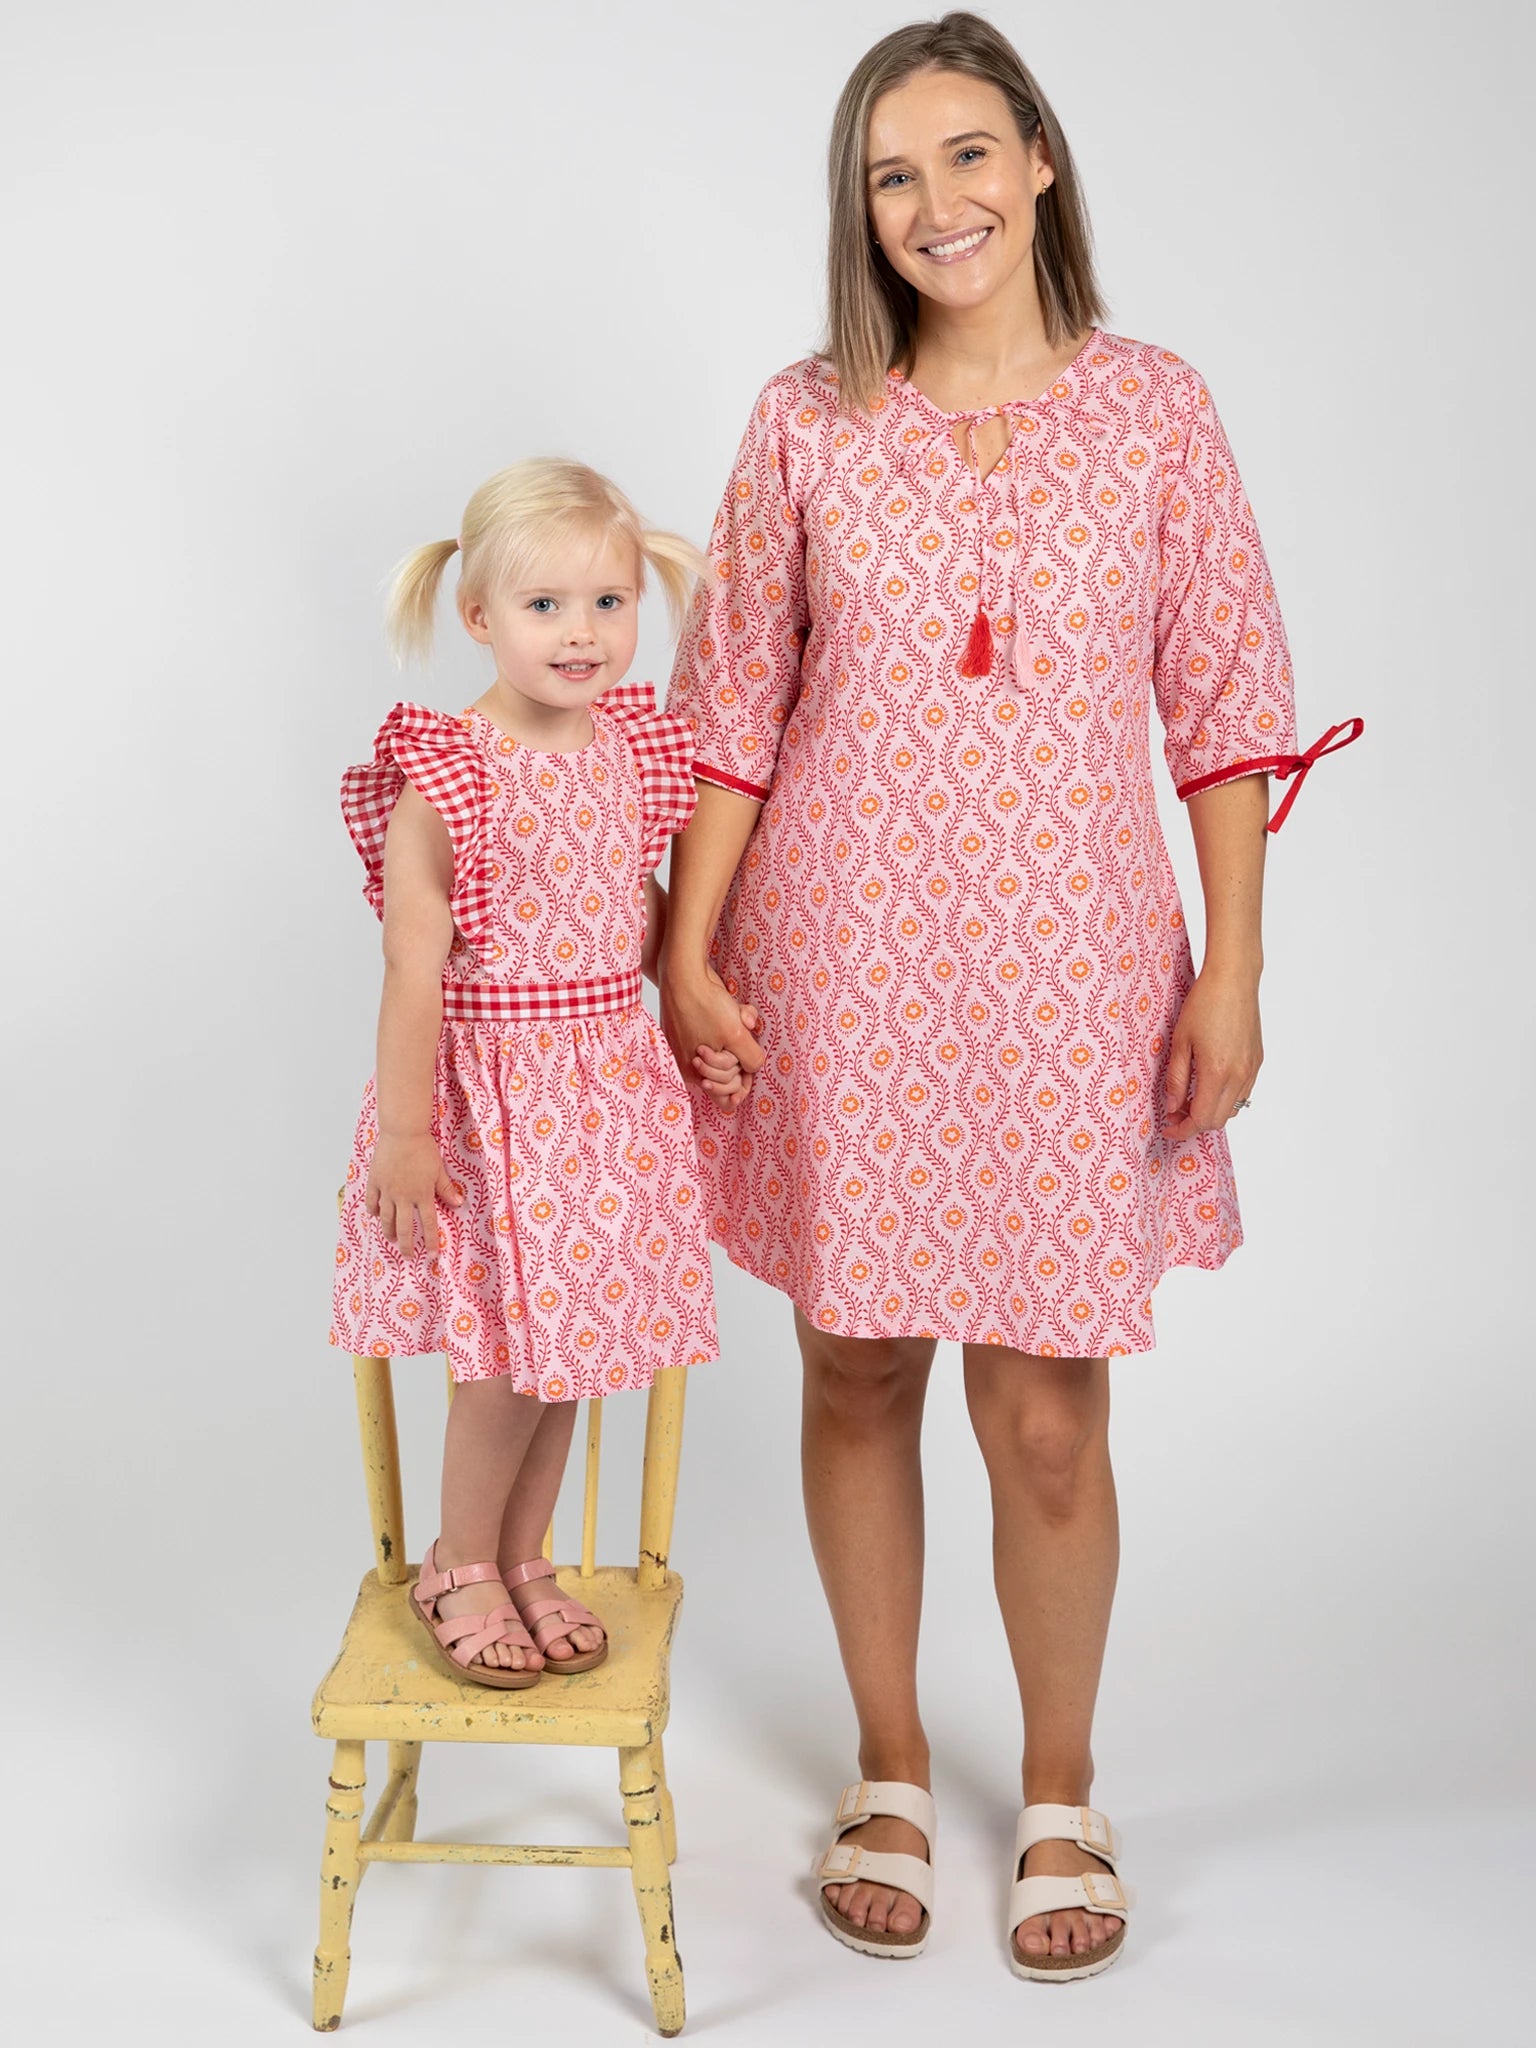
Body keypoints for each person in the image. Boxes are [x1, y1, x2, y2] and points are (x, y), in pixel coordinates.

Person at [660, 10, 1360, 1981]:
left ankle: (1060, 1786)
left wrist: (1236, 962)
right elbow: (732, 708)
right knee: (858, 1360)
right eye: (894, 173)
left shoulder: (1154, 407)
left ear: (1041, 162)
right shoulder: (808, 418)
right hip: (837, 957)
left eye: (967, 156)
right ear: (858, 210)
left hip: (1073, 967)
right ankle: (888, 1762)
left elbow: (1226, 706)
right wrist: (693, 938)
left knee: (1046, 1407)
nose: (934, 203)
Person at [332, 458, 744, 1687]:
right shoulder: (445, 772)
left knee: (576, 1351)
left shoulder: (631, 745)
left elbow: (640, 906)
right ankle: (458, 1559)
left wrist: (684, 1019)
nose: (584, 633)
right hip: (491, 1098)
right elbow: (414, 968)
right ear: (480, 616)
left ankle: (523, 1554)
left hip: (604, 1090)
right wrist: (408, 1131)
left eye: (610, 602)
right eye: (547, 606)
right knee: (508, 1360)